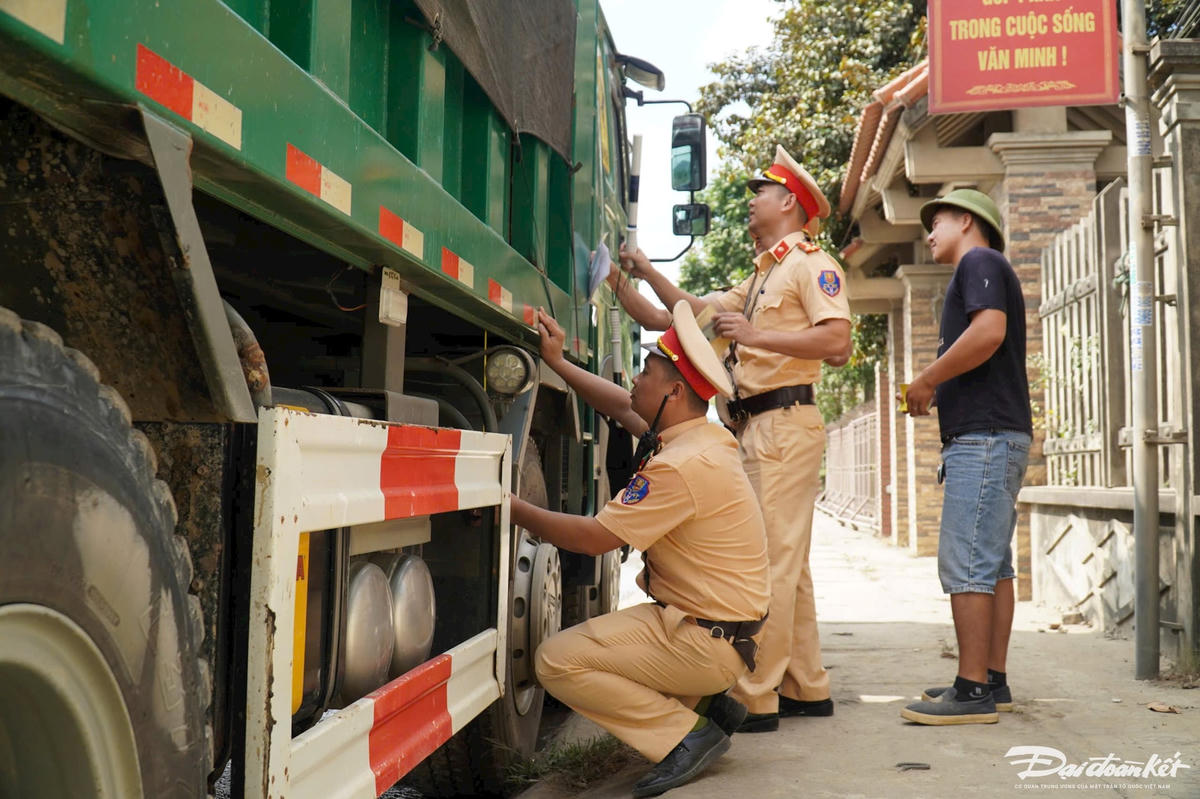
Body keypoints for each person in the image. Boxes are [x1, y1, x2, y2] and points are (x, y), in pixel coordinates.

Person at [606, 145, 851, 732]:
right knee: (790, 563)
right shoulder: (766, 272)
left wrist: (759, 336)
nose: (750, 204)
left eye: (759, 193)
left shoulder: (811, 266)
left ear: (788, 201)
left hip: (784, 423)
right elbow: (688, 314)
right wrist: (632, 274)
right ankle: (804, 686)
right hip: (761, 425)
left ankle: (755, 696)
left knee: (773, 562)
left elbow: (837, 342)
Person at [513, 301, 771, 797]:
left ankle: (686, 735)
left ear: (673, 391)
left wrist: (511, 507)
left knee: (556, 661)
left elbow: (594, 539)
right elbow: (620, 405)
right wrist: (560, 363)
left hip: (706, 640)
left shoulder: (680, 466)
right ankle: (707, 704)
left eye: (647, 371)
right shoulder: (699, 439)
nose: (635, 377)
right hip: (723, 631)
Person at [900, 188, 1032, 725]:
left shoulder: (979, 260)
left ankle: (971, 689)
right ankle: (991, 680)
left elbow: (989, 331)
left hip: (986, 437)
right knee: (993, 563)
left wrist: (928, 379)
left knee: (969, 562)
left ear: (968, 221)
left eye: (938, 221)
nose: (929, 233)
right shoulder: (987, 266)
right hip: (997, 436)